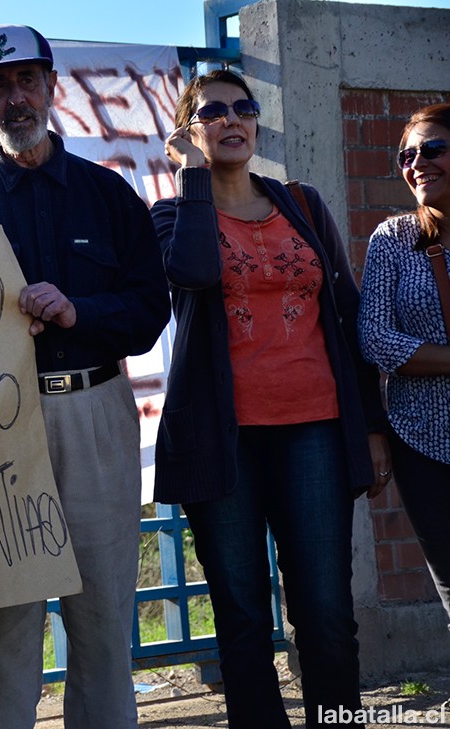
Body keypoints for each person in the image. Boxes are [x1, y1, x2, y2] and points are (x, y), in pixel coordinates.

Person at [0, 24, 171, 729]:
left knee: (100, 616)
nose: (13, 98)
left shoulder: (110, 196)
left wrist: (75, 310)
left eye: (26, 80)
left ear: (53, 87)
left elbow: (150, 309)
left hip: (93, 413)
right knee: (2, 626)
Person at [151, 69, 389, 728]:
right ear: (189, 131)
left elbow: (347, 311)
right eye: (213, 111)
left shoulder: (302, 204)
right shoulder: (174, 213)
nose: (232, 119)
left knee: (327, 614)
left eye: (243, 108)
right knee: (244, 614)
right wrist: (194, 179)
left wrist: (370, 427)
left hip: (314, 428)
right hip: (221, 438)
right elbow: (194, 271)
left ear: (257, 122)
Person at [359, 102, 450, 631]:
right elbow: (374, 338)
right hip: (423, 440)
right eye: (407, 155)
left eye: (434, 148)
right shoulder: (394, 239)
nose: (418, 162)